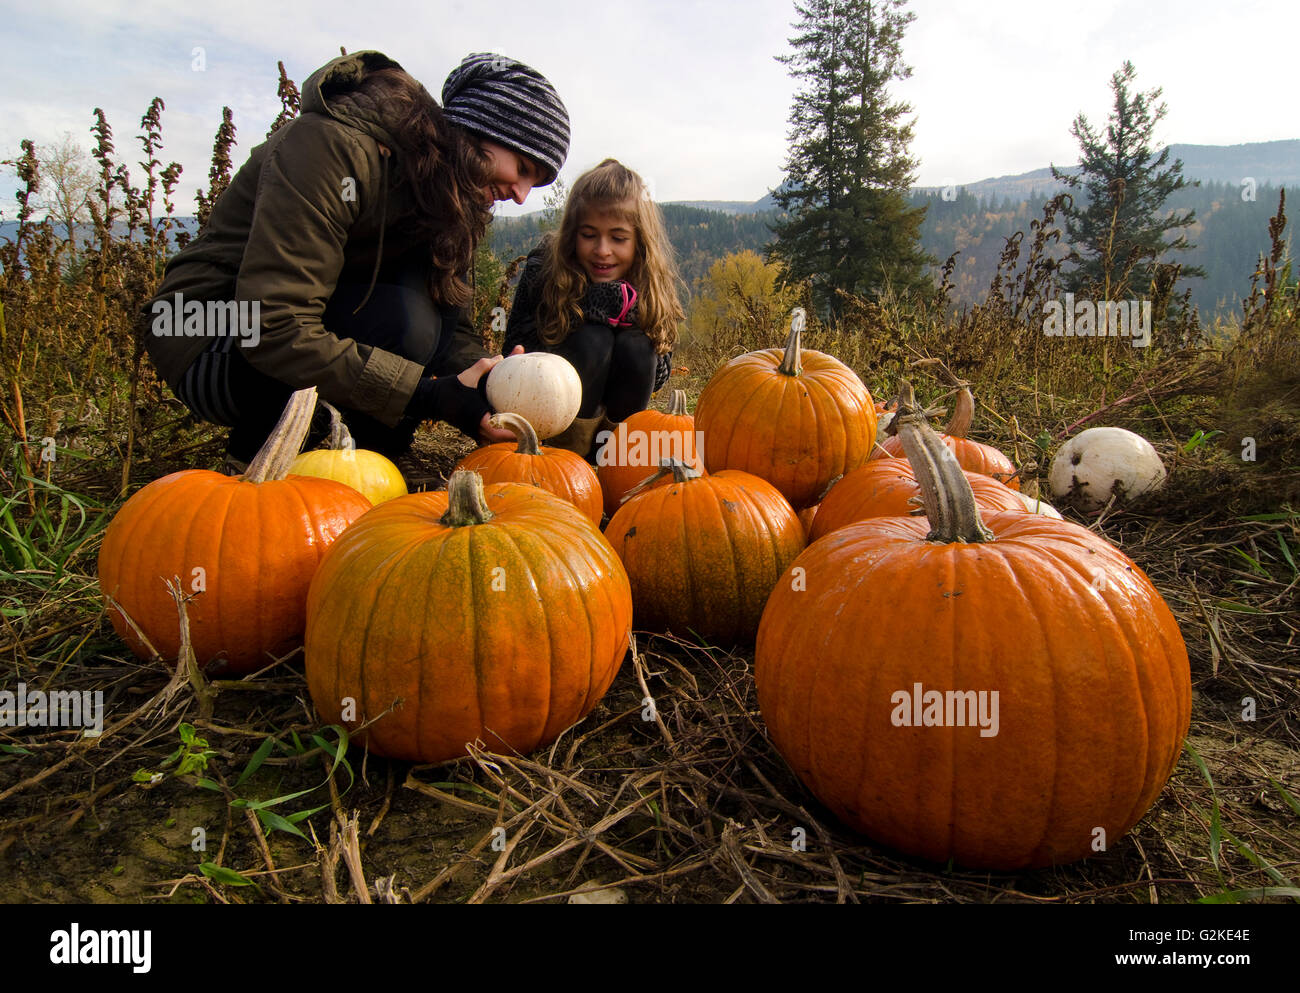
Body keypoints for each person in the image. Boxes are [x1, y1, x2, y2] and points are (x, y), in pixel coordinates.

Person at [142, 50, 570, 471]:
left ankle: (358, 466)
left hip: (294, 337)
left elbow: (451, 327)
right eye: (524, 168)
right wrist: (423, 397)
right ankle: (263, 456)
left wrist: (489, 383)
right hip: (213, 343)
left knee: (427, 320)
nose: (520, 195)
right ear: (481, 131)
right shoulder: (330, 147)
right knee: (405, 322)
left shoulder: (450, 194)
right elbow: (272, 325)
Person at [504, 158, 684, 459]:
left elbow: (660, 374)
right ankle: (566, 458)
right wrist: (591, 308)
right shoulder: (545, 269)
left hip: (616, 419)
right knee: (592, 338)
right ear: (573, 234)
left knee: (638, 345)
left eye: (618, 238)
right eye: (589, 235)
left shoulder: (648, 281)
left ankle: (617, 461)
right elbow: (515, 350)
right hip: (551, 410)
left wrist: (629, 319)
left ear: (639, 242)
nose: (602, 250)